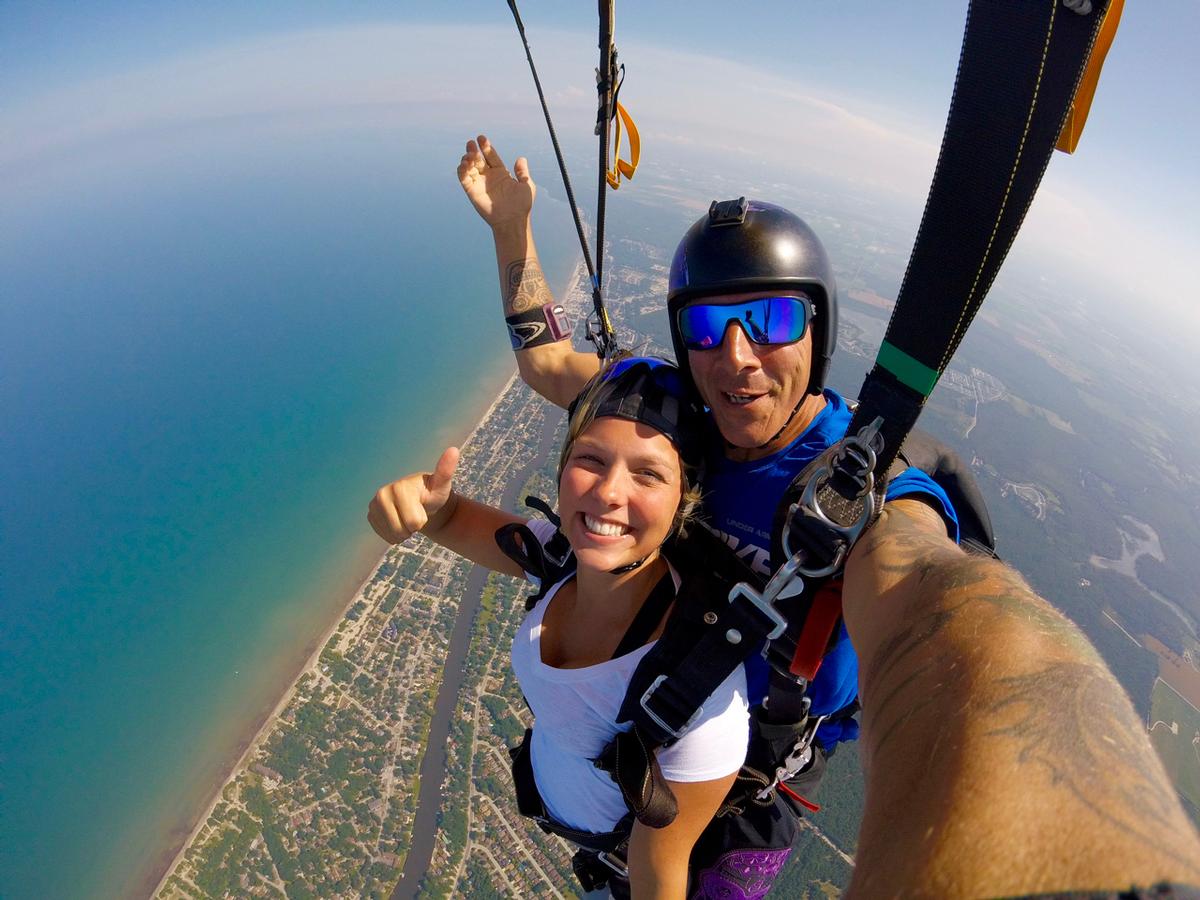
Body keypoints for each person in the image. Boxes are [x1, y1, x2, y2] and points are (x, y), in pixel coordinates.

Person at [456, 135, 1200, 895]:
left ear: (819, 328)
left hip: (741, 803)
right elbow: (548, 363)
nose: (738, 356)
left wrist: (1082, 836)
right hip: (640, 741)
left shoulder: (858, 489)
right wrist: (511, 230)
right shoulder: (677, 422)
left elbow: (937, 603)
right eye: (709, 329)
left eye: (773, 318)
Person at [369, 358, 752, 899]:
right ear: (561, 470)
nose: (609, 493)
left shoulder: (701, 698)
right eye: (590, 459)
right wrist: (418, 508)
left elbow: (657, 870)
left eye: (648, 474)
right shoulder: (558, 554)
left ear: (682, 505)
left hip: (611, 859)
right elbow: (452, 518)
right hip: (564, 813)